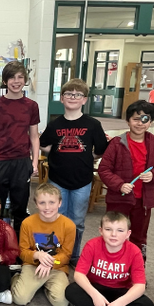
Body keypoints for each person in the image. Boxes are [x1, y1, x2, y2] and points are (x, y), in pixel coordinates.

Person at [39, 78, 109, 260]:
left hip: (82, 181)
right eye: (69, 94)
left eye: (78, 95)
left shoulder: (93, 124)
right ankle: (53, 255)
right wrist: (55, 153)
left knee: (77, 222)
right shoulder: (55, 124)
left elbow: (101, 150)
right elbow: (43, 144)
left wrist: (86, 157)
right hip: (57, 179)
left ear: (84, 100)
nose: (73, 97)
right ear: (62, 98)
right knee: (54, 218)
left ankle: (72, 256)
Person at [97, 100, 154, 264]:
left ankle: (136, 268)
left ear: (150, 122)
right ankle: (111, 267)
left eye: (145, 119)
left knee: (139, 236)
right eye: (136, 119)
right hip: (119, 198)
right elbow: (104, 169)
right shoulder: (117, 143)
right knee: (114, 234)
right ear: (128, 120)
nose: (140, 123)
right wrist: (119, 184)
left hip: (143, 200)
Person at [65, 211, 153, 306]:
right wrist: (95, 296)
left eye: (120, 230)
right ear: (101, 230)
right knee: (71, 290)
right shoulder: (92, 245)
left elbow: (140, 285)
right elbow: (79, 274)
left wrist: (121, 302)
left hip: (121, 291)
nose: (113, 234)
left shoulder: (134, 251)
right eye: (108, 229)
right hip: (96, 287)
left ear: (128, 234)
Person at [0, 60, 40, 235]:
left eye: (20, 77)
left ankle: (18, 247)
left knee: (20, 208)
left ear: (25, 80)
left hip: (22, 162)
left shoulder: (31, 106)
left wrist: (35, 162)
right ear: (4, 81)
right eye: (11, 77)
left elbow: (34, 136)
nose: (16, 81)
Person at [11, 183, 76, 306]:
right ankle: (16, 277)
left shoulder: (69, 226)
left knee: (62, 304)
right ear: (36, 204)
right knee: (20, 299)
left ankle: (43, 285)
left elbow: (66, 255)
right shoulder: (27, 223)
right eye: (42, 203)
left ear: (60, 203)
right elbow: (22, 251)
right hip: (32, 265)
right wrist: (37, 255)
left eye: (52, 202)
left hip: (57, 267)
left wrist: (49, 263)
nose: (47, 207)